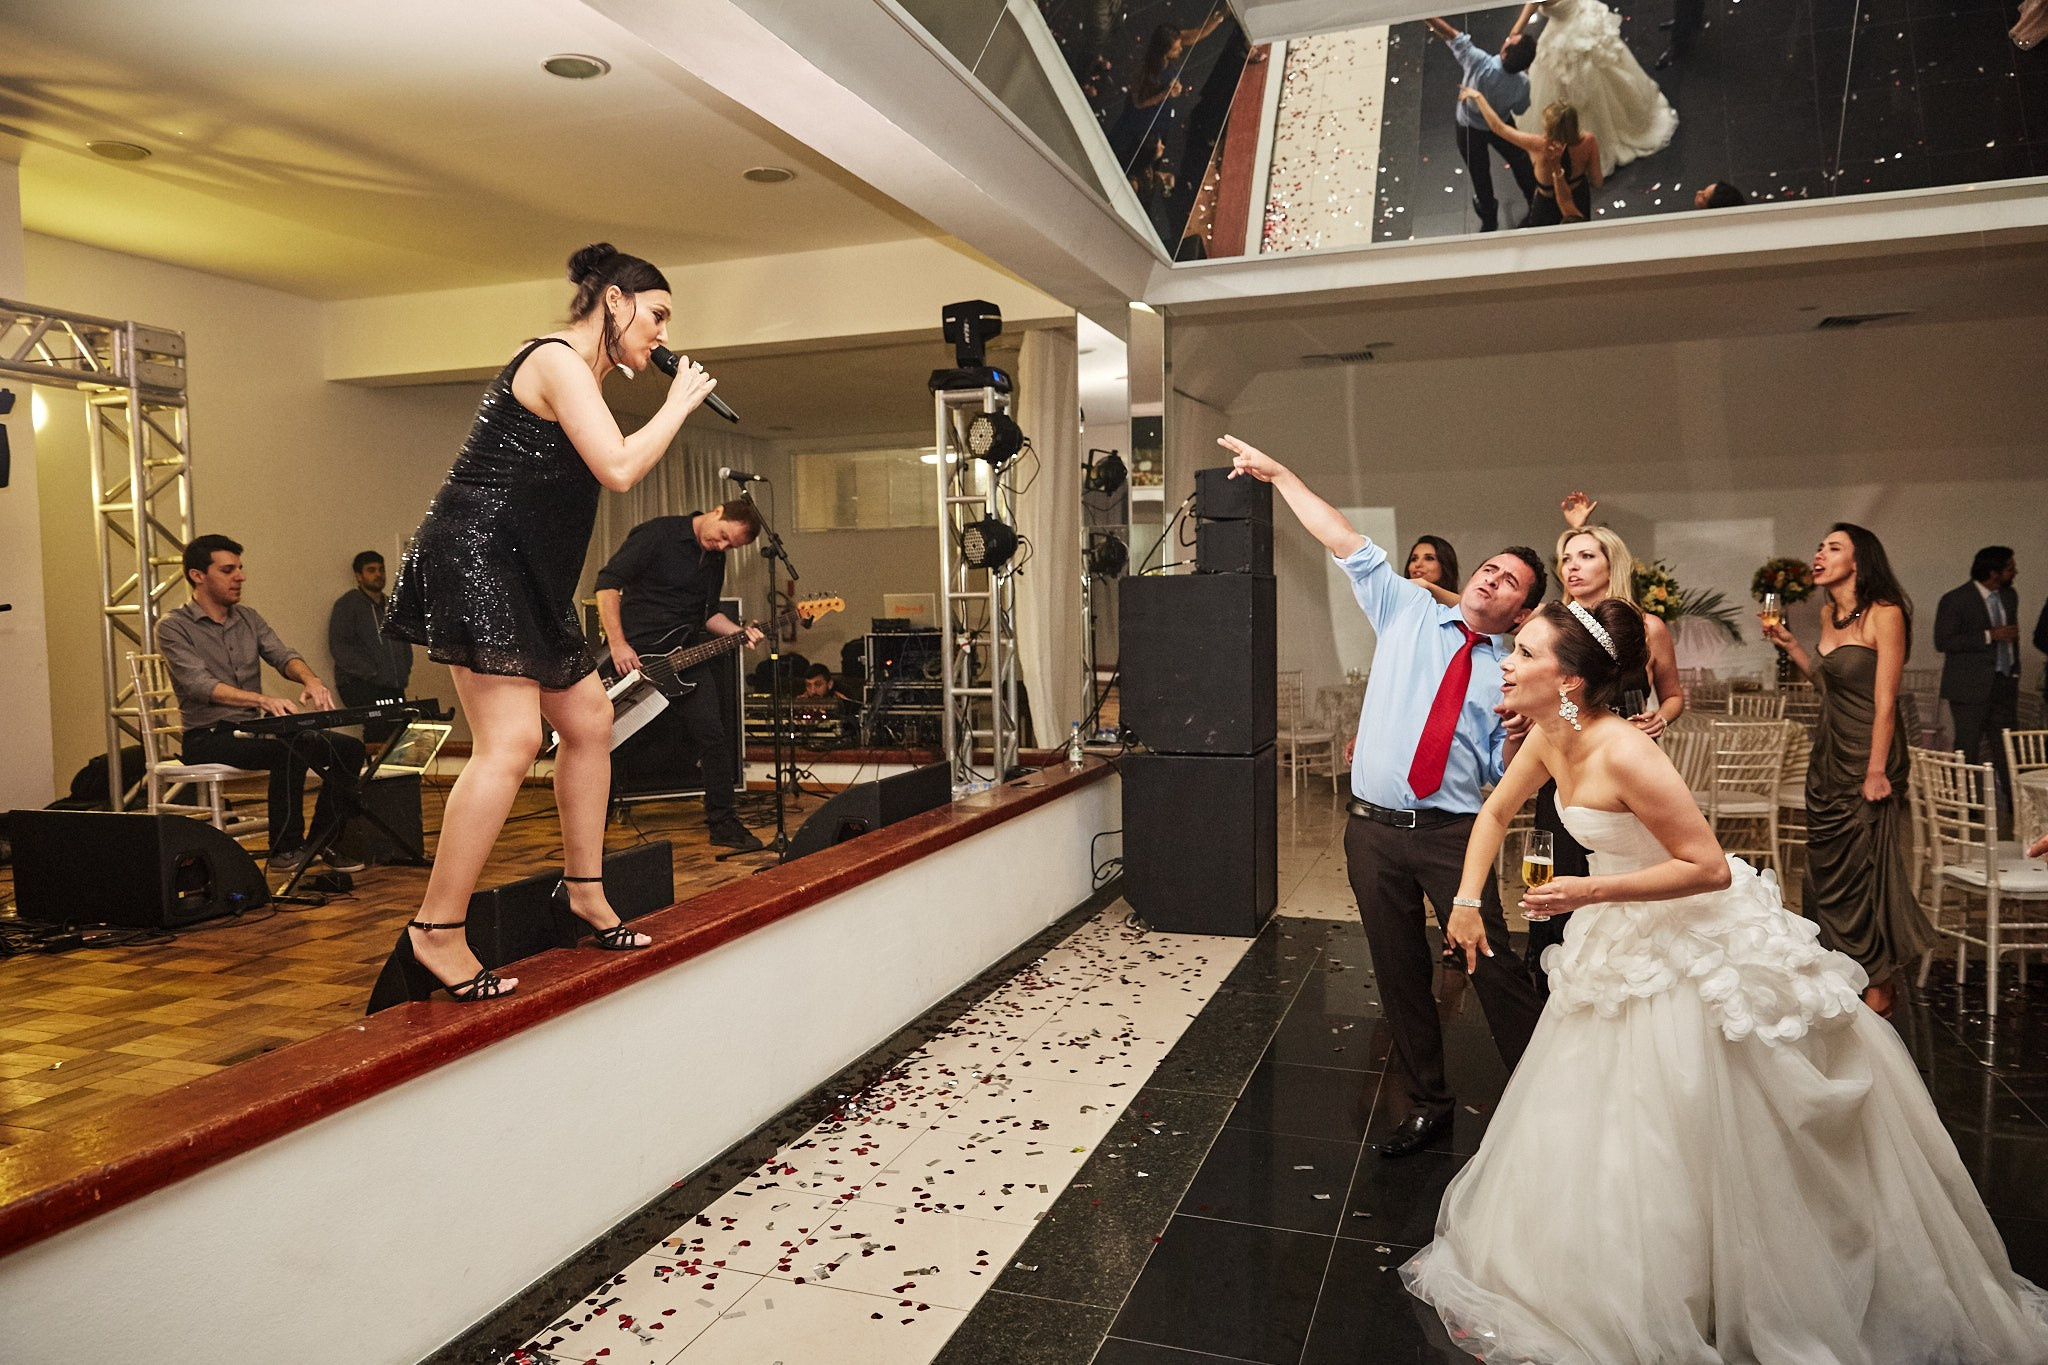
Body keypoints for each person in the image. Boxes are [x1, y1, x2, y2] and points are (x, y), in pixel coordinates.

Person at [1402, 596, 2048, 1363]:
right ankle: (1608, 1257)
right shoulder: (1551, 735)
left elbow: (1705, 868)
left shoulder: (1625, 752)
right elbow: (1495, 812)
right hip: (1617, 940)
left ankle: (1729, 1274)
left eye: (1525, 653)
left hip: (1689, 933)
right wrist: (1469, 901)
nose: (1505, 663)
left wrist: (1588, 890)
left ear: (1570, 681)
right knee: (1604, 1111)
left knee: (1694, 1110)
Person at [383, 243, 721, 1001]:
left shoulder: (585, 376)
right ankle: (435, 929)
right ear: (613, 301)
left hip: (526, 571)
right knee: (512, 741)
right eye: (656, 314)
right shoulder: (555, 360)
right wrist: (677, 404)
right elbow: (620, 467)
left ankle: (585, 890)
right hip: (478, 556)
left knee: (592, 717)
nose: (662, 334)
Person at [1220, 434, 1548, 1160]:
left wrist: (1522, 732)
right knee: (1398, 971)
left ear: (1523, 610)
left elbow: (1502, 770)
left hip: (1451, 833)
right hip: (1371, 831)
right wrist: (1279, 473)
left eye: (1510, 581)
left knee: (1489, 960)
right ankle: (1430, 1101)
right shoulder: (1404, 608)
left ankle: (1550, 1088)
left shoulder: (1510, 673)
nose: (1492, 579)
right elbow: (1339, 533)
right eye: (1490, 568)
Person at [1761, 523, 1933, 1019]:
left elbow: (1885, 703)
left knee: (1864, 871)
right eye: (1819, 546)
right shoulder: (1828, 613)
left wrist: (1877, 770)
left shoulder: (1886, 613)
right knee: (1827, 871)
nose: (1819, 554)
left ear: (1858, 562)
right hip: (1828, 757)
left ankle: (1880, 982)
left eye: (1833, 548)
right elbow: (1827, 682)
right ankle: (1840, 969)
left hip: (1868, 758)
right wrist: (1789, 643)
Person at [1518, 490, 1686, 994]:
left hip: (1628, 769)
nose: (1572, 566)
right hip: (1566, 764)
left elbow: (1675, 695)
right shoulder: (1555, 629)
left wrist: (1661, 716)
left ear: (1613, 563)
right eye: (1566, 558)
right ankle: (1558, 980)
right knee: (1558, 864)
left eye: (1586, 556)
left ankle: (1624, 980)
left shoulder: (1647, 627)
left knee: (1628, 872)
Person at [161, 534, 366, 875]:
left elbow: (283, 656)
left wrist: (310, 679)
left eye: (240, 568)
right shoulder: (174, 627)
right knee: (289, 751)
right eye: (228, 570)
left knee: (348, 749)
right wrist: (262, 699)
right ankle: (284, 849)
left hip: (253, 731)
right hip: (208, 736)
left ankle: (321, 842)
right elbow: (198, 685)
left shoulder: (249, 619)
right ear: (198, 576)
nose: (240, 576)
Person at [595, 503, 767, 852]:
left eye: (730, 547)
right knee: (606, 743)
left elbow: (708, 614)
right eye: (722, 538)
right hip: (635, 657)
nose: (722, 548)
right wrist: (618, 645)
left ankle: (723, 825)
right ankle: (593, 828)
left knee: (714, 737)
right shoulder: (658, 534)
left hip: (683, 656)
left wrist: (740, 633)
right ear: (717, 512)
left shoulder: (714, 559)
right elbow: (607, 584)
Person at [1505, 0, 1676, 177]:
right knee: (1607, 75)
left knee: (1577, 91)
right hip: (1586, 20)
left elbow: (1516, 31)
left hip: (1567, 39)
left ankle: (1590, 144)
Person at [1425, 17, 1537, 233]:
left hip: (1469, 127)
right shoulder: (1523, 84)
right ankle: (1534, 201)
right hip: (1502, 125)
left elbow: (1449, 33)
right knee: (1520, 162)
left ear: (1505, 53)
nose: (1510, 37)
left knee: (1479, 173)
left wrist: (1427, 15)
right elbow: (1521, 110)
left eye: (1512, 40)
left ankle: (1488, 214)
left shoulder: (1478, 61)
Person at [1937, 545, 2021, 819]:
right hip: (1968, 686)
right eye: (2010, 567)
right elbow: (1944, 641)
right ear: (1993, 572)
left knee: (2007, 747)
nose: (2015, 572)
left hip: (2003, 683)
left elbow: (2013, 636)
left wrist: (2014, 670)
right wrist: (1988, 635)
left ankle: (2016, 805)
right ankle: (1968, 807)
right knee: (1968, 747)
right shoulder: (1956, 599)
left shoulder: (2009, 596)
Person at [1460, 91, 1599, 226]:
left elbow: (1498, 127)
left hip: (1547, 207)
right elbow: (1597, 181)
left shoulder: (1539, 145)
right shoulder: (1589, 141)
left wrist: (1478, 97)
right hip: (1578, 201)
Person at [327, 550, 413, 744]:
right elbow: (339, 645)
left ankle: (397, 773)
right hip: (361, 684)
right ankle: (373, 773)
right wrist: (370, 671)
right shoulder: (347, 605)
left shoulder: (391, 605)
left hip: (393, 684)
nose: (378, 574)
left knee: (403, 729)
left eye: (381, 569)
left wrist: (404, 669)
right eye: (371, 570)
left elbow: (403, 640)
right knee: (378, 729)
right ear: (359, 576)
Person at [1405, 534, 1464, 608]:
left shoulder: (1459, 606)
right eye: (1414, 559)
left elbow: (1468, 608)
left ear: (1445, 565)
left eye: (1429, 558)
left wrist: (1428, 586)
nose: (1418, 564)